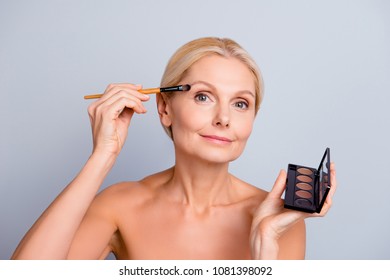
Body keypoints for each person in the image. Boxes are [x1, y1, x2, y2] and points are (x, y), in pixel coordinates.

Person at [11, 37, 337, 260]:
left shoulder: (280, 222)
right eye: (203, 97)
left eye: (240, 103)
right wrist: (102, 156)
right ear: (165, 108)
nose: (224, 118)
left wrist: (264, 250)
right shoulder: (120, 205)